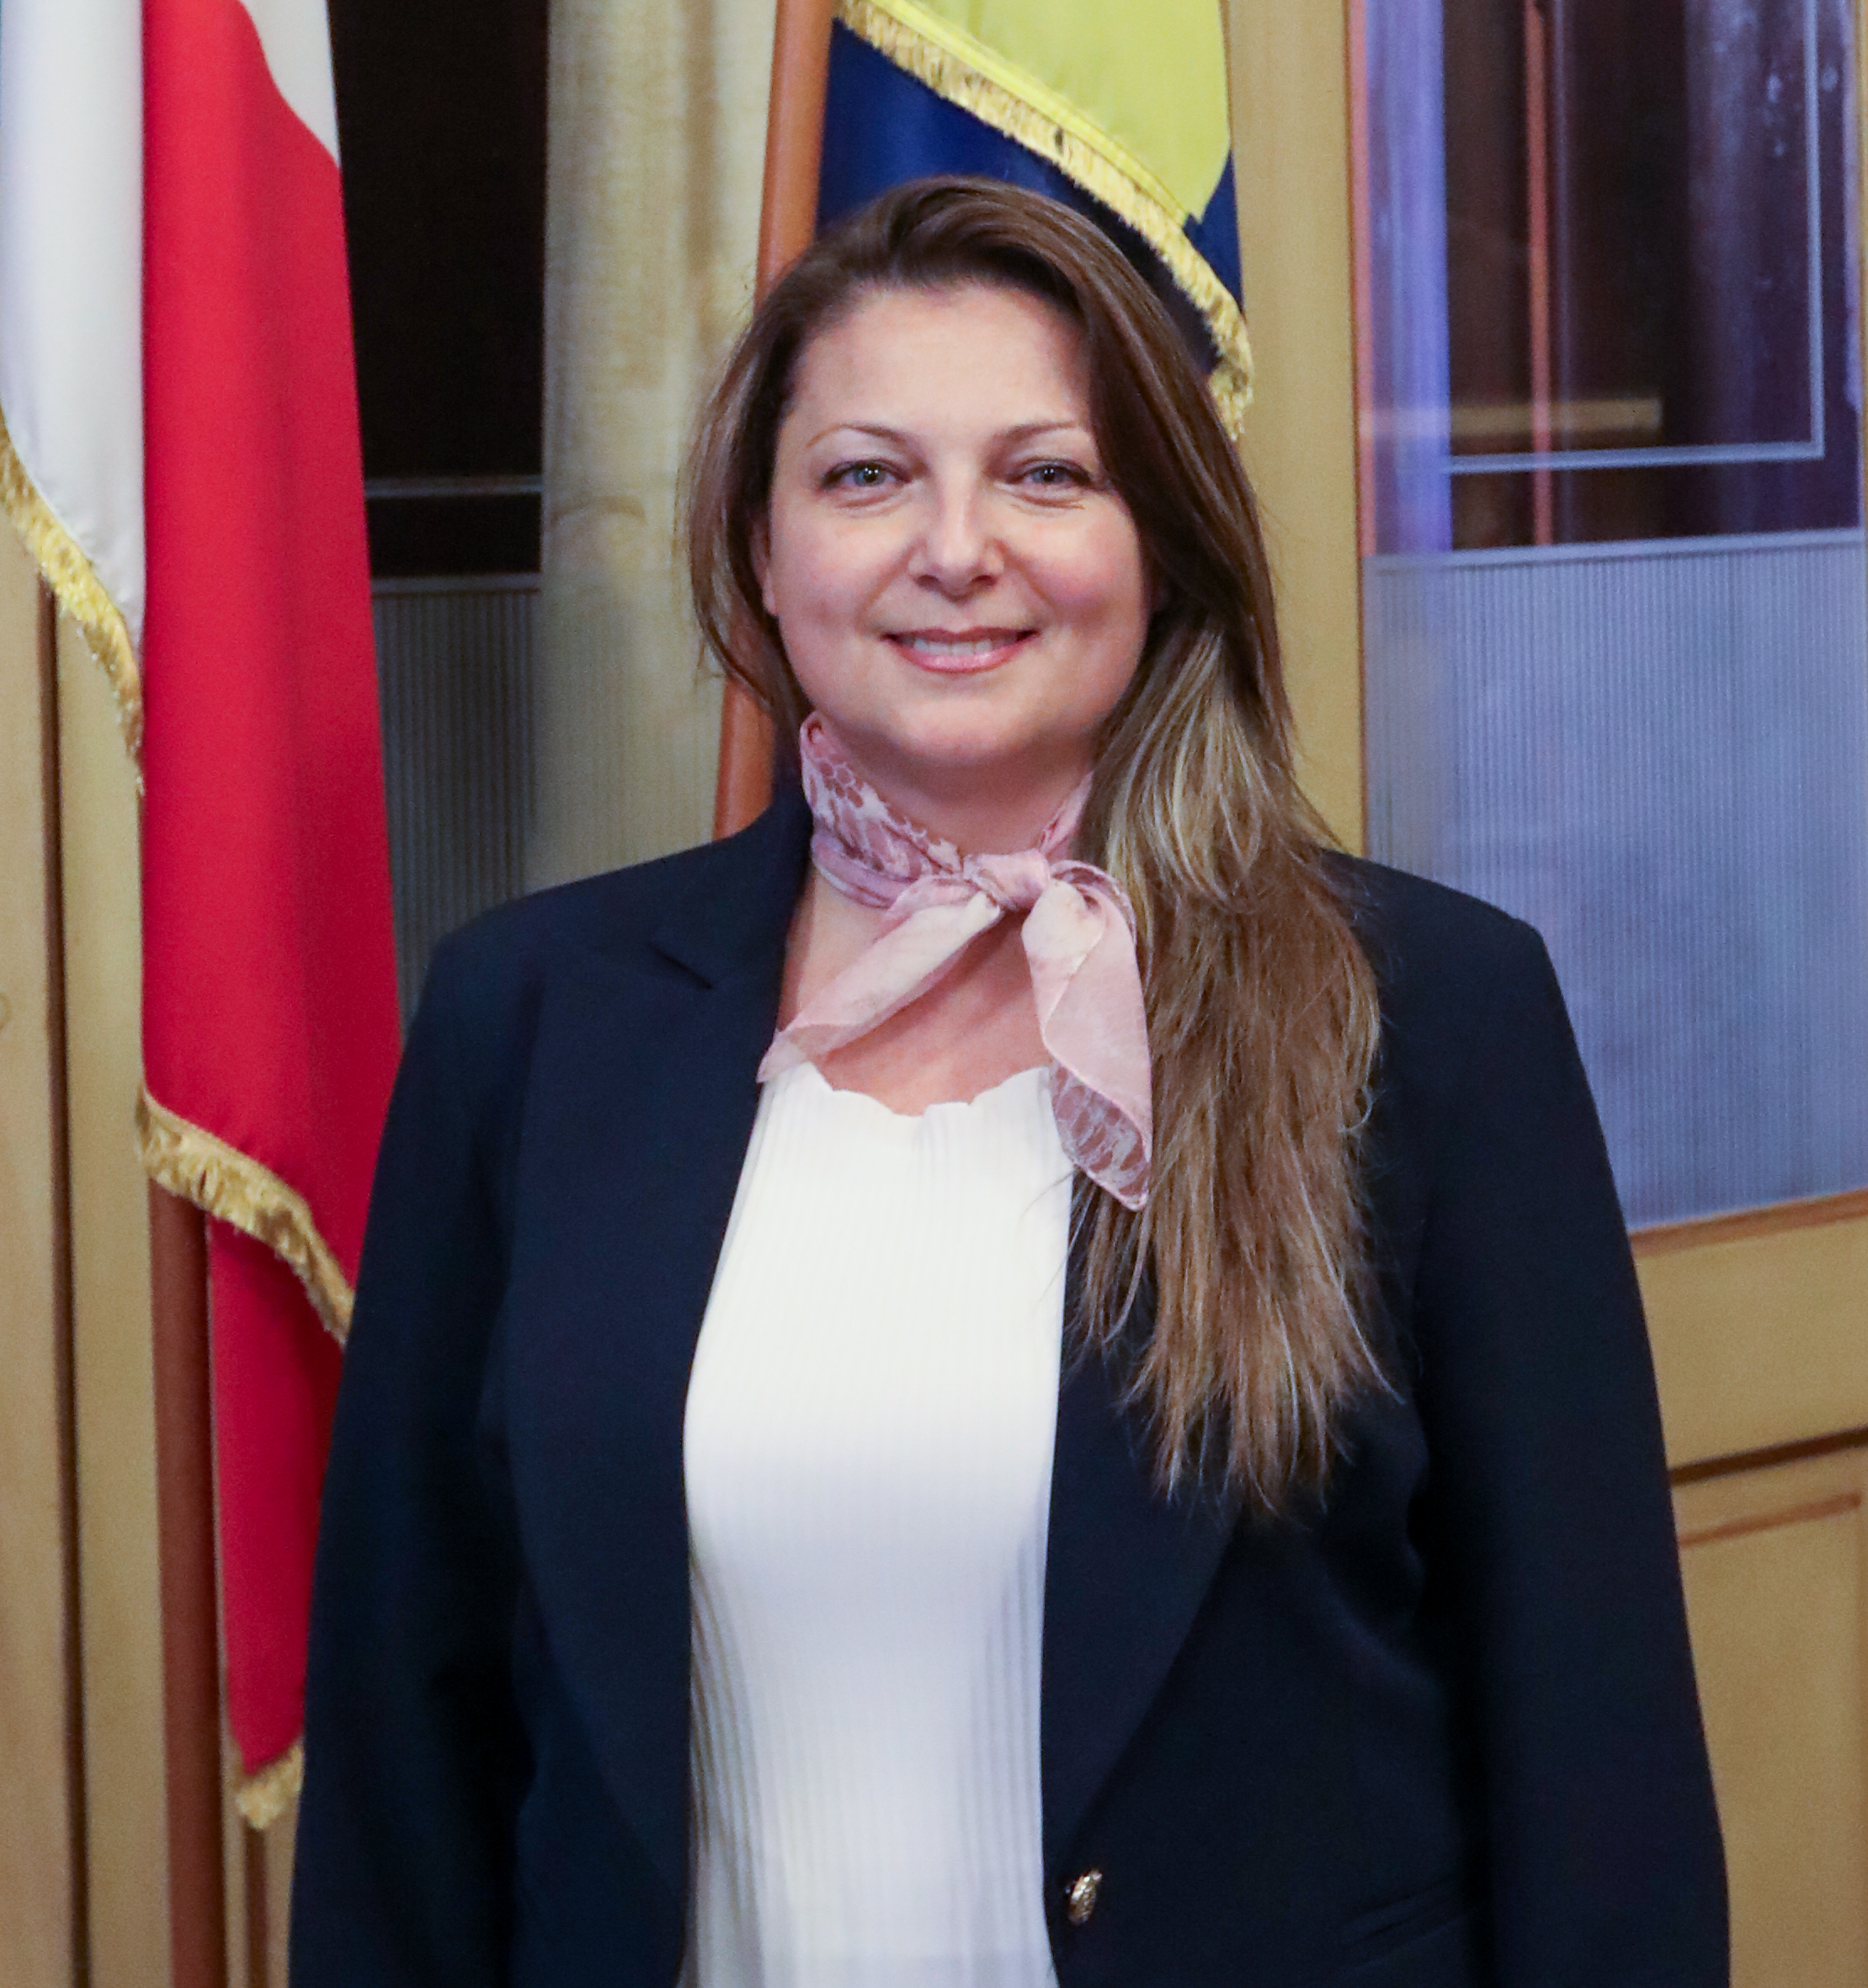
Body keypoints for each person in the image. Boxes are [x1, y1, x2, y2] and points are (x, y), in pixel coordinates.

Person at [291, 178, 1727, 1988]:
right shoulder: (530, 1015)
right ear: (761, 552)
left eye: (1045, 474)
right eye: (865, 476)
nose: (954, 548)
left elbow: (1595, 1757)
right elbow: (406, 1739)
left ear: (1163, 545)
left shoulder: (1430, 1016)